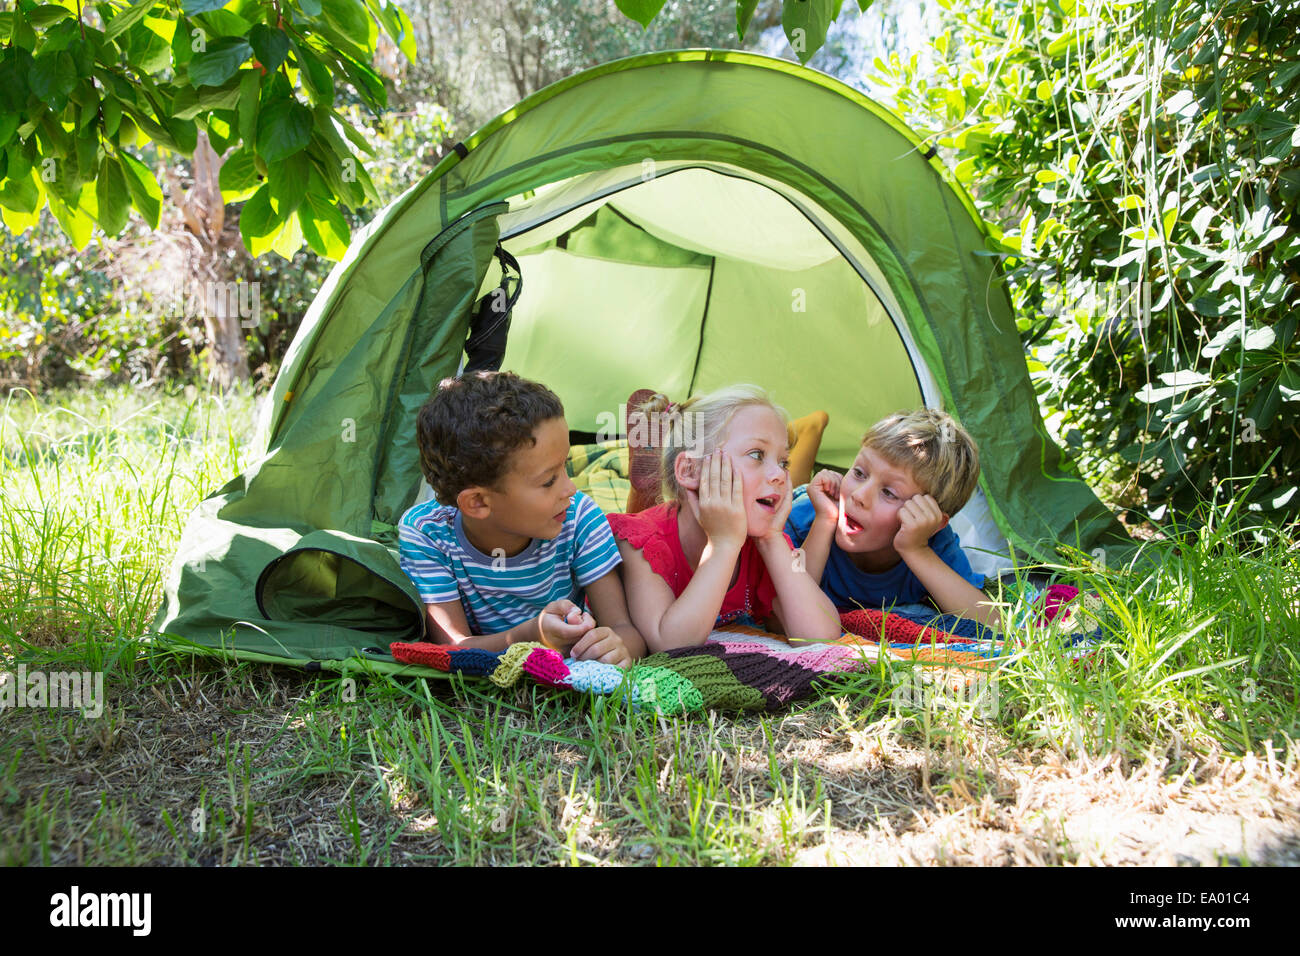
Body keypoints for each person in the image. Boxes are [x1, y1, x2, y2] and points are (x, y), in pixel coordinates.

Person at [398, 371, 645, 667]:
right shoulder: (427, 534)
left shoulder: (579, 517)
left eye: (565, 467)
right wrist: (533, 635)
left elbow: (626, 632)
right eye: (548, 481)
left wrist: (617, 648)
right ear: (477, 502)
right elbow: (453, 648)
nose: (571, 488)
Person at [608, 385, 842, 652]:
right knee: (647, 514)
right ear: (690, 469)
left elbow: (821, 636)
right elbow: (670, 644)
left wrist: (772, 539)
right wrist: (722, 545)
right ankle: (643, 488)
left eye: (784, 462)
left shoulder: (761, 542)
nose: (778, 474)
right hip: (656, 527)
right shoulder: (642, 541)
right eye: (757, 455)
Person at [785, 408, 1000, 630]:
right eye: (859, 473)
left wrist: (917, 550)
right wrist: (824, 521)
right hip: (809, 500)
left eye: (889, 492)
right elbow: (782, 616)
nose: (859, 496)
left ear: (932, 523)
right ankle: (810, 428)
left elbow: (995, 625)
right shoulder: (805, 519)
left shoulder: (931, 543)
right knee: (787, 484)